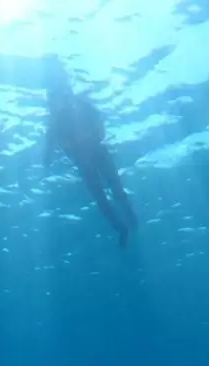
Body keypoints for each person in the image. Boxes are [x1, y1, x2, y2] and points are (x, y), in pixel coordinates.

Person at [43, 70, 138, 246]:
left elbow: (99, 125)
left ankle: (131, 218)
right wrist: (49, 157)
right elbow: (49, 150)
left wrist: (84, 138)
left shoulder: (79, 108)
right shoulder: (54, 124)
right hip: (84, 163)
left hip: (99, 154)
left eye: (54, 100)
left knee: (116, 190)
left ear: (62, 97)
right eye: (50, 102)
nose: (52, 105)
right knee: (101, 200)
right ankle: (122, 228)